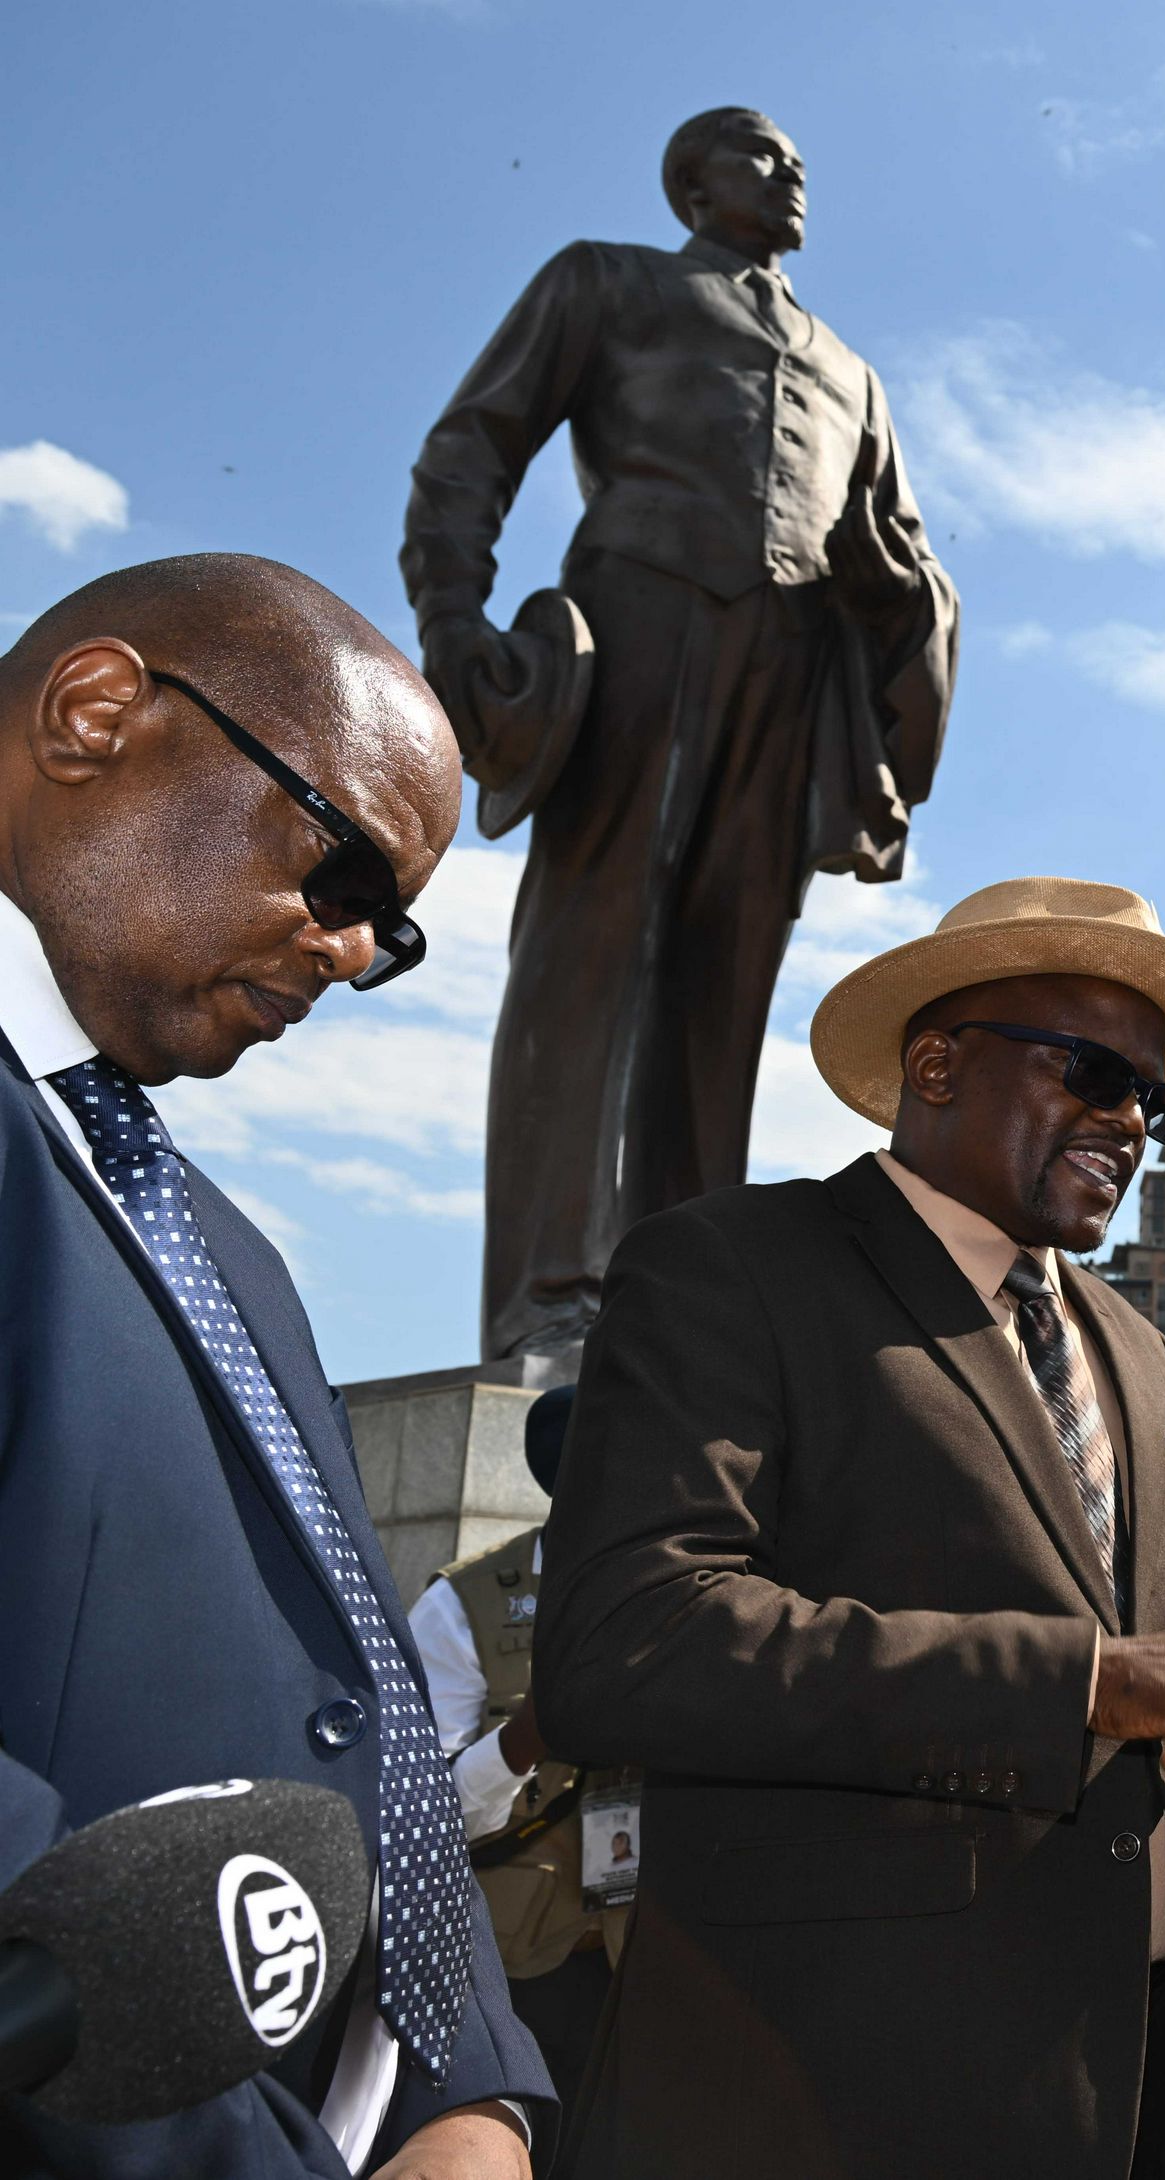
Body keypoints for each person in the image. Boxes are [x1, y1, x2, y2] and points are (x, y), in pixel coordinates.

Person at [532, 878, 1165, 2178]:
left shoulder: (1136, 1346)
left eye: (1156, 1102)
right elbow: (625, 1638)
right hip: (842, 2084)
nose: (1130, 1122)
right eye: (1095, 1073)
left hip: (1141, 2070)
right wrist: (1079, 1683)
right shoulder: (733, 1266)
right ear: (937, 1063)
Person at [0, 555, 549, 2177]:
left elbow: (364, 1694)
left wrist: (467, 2092)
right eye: (344, 867)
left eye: (396, 930)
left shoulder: (228, 1254)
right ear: (98, 715)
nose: (355, 954)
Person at [403, 105, 961, 1372]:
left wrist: (897, 620)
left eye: (796, 157)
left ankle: (685, 1309)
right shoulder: (606, 283)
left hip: (790, 669)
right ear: (690, 185)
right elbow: (471, 446)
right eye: (759, 150)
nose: (791, 169)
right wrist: (455, 622)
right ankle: (549, 1294)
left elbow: (907, 558)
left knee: (724, 992)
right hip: (634, 625)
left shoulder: (851, 371)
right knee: (586, 954)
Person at [406, 1386, 635, 2127]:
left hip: (657, 1951)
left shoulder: (689, 1583)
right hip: (523, 1963)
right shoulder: (463, 1604)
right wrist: (525, 1739)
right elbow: (421, 1811)